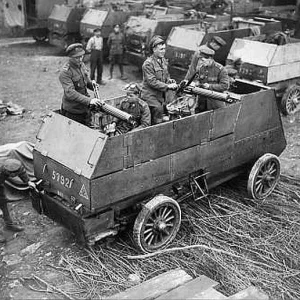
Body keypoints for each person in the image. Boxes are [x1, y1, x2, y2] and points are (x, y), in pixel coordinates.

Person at [59, 43, 103, 125]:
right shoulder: (65, 72)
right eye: (76, 57)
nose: (80, 59)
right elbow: (70, 93)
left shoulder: (81, 65)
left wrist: (93, 86)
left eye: (81, 56)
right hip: (72, 111)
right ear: (70, 57)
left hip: (84, 108)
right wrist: (89, 101)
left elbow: (85, 81)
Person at [140, 35, 177, 124]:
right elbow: (152, 82)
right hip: (150, 96)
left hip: (160, 95)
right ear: (154, 49)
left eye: (164, 49)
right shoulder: (148, 64)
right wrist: (167, 86)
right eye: (161, 49)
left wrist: (169, 80)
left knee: (172, 108)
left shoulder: (163, 60)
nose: (163, 51)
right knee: (158, 110)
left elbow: (166, 75)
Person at [183, 45, 229, 111]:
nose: (201, 62)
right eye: (200, 60)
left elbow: (225, 86)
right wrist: (195, 84)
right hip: (201, 104)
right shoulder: (201, 68)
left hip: (215, 105)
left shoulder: (220, 69)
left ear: (210, 59)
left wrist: (209, 86)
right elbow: (198, 81)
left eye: (203, 60)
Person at [0, 159, 36, 243]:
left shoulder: (17, 167)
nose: (14, 175)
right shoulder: (1, 170)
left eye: (16, 173)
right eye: (12, 174)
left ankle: (9, 226)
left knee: (3, 203)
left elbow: (22, 172)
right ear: (6, 171)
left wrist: (28, 182)